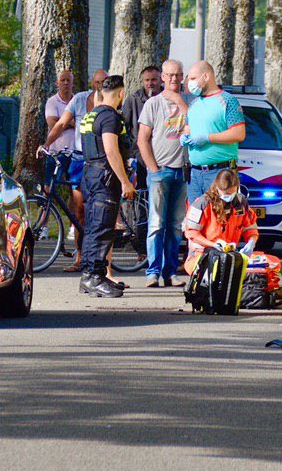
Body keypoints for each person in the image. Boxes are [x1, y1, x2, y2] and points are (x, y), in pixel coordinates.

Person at [43, 68, 107, 271]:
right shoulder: (79, 99)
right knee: (79, 210)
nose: (100, 87)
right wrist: (46, 145)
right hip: (80, 159)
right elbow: (60, 123)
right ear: (91, 83)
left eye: (104, 83)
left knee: (101, 210)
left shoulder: (111, 103)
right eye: (97, 82)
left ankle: (104, 263)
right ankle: (80, 257)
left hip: (102, 160)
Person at [78, 75, 135, 298]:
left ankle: (89, 276)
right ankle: (96, 277)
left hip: (91, 174)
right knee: (102, 229)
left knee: (93, 227)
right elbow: (111, 150)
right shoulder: (111, 118)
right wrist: (125, 181)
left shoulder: (91, 115)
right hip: (105, 177)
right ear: (121, 94)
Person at [137, 59, 189, 287]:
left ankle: (170, 272)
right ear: (163, 78)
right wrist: (153, 169)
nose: (175, 79)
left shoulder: (190, 102)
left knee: (176, 225)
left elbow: (195, 126)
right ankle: (152, 272)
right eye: (170, 75)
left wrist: (180, 101)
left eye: (179, 75)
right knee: (156, 223)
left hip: (182, 172)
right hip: (161, 170)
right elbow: (142, 140)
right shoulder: (153, 104)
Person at [182, 61, 246, 198]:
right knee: (196, 218)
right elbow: (187, 129)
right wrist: (186, 137)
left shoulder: (228, 101)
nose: (189, 83)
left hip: (220, 172)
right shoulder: (194, 104)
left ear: (205, 76)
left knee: (219, 216)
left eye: (193, 79)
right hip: (194, 173)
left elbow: (239, 134)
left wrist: (207, 138)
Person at [182, 168, 259, 275]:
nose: (230, 196)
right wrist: (213, 244)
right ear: (217, 188)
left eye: (233, 192)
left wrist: (251, 242)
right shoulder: (202, 204)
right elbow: (192, 233)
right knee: (216, 270)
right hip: (201, 255)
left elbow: (250, 228)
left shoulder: (240, 202)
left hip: (229, 255)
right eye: (227, 193)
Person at [121, 65, 162, 191]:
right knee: (141, 192)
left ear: (161, 80)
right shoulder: (133, 100)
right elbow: (124, 127)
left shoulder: (167, 98)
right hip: (139, 156)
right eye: (147, 80)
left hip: (162, 154)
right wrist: (132, 150)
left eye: (154, 79)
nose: (150, 83)